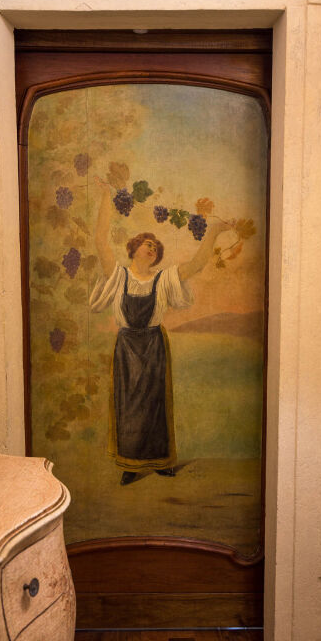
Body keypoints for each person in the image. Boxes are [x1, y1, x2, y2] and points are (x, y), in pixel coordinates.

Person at [89, 177, 227, 485]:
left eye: (155, 246)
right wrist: (106, 197)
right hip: (127, 347)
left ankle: (161, 461)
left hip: (153, 345)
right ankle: (131, 464)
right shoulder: (118, 275)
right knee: (128, 405)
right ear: (134, 248)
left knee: (155, 404)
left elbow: (197, 264)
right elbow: (100, 241)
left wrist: (214, 232)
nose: (151, 248)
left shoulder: (163, 279)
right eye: (146, 244)